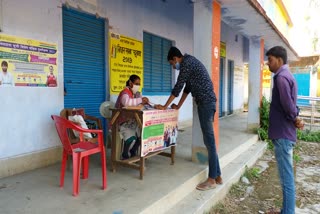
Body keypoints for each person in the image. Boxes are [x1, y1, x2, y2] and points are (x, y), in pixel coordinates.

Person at [154, 47, 223, 190]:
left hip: (205, 103)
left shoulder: (187, 64)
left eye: (172, 64)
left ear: (175, 58)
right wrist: (177, 105)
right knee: (209, 141)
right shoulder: (190, 63)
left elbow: (178, 87)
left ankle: (211, 180)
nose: (174, 67)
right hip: (208, 102)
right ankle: (218, 175)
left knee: (209, 141)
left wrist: (165, 106)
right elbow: (187, 89)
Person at [266, 46, 304, 214]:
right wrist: (296, 117)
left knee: (286, 178)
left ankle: (288, 212)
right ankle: (286, 210)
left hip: (282, 134)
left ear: (279, 60)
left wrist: (295, 117)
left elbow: (288, 105)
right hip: (285, 132)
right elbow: (291, 105)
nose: (268, 64)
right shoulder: (288, 76)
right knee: (286, 176)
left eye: (270, 60)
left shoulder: (281, 78)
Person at [115, 74, 149, 159]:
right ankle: (125, 154)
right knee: (130, 134)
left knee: (143, 132)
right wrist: (141, 100)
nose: (138, 86)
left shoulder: (136, 94)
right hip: (122, 122)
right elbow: (127, 103)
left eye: (139, 84)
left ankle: (133, 150)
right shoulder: (124, 93)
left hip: (132, 120)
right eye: (136, 84)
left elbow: (140, 103)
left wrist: (143, 100)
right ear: (130, 83)